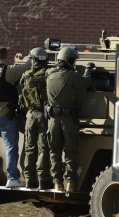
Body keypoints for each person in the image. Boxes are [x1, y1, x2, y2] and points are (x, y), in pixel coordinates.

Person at [45, 47, 94, 192]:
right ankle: (70, 184)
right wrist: (88, 69)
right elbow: (86, 83)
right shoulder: (72, 75)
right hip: (68, 120)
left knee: (54, 152)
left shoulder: (49, 74)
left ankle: (57, 184)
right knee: (70, 152)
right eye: (73, 60)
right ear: (69, 60)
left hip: (52, 120)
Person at [18, 47, 53, 190]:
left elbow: (20, 92)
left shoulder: (26, 75)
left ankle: (29, 179)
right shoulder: (49, 74)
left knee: (30, 148)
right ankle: (43, 180)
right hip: (44, 115)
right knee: (43, 148)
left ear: (33, 60)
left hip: (30, 116)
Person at [0, 45, 31, 188]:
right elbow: (28, 66)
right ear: (4, 56)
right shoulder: (8, 71)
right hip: (6, 116)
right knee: (11, 147)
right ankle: (12, 177)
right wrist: (31, 55)